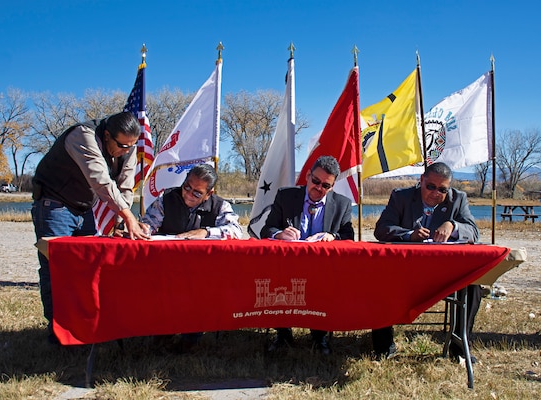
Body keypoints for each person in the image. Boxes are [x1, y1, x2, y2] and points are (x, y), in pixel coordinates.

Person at [32, 111, 150, 344]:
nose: (127, 151)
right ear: (106, 136)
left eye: (131, 146)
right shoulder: (82, 135)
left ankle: (82, 329)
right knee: (56, 268)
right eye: (122, 145)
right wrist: (128, 217)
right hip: (54, 205)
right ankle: (57, 333)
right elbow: (100, 180)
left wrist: (121, 220)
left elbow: (126, 186)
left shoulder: (128, 147)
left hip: (84, 209)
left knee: (86, 269)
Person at [373, 161, 480, 362]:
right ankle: (383, 346)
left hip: (443, 275)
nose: (435, 193)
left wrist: (453, 226)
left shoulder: (458, 200)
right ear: (421, 181)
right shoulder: (401, 197)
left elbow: (474, 232)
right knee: (379, 278)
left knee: (473, 285)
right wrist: (408, 235)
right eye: (430, 186)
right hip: (404, 272)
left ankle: (459, 348)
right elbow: (381, 229)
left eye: (442, 189)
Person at [140, 163, 242, 352]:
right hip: (168, 267)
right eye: (187, 187)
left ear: (208, 194)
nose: (188, 194)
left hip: (202, 271)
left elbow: (236, 230)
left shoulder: (219, 205)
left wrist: (206, 232)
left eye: (197, 193)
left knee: (201, 291)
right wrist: (142, 229)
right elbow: (149, 224)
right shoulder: (167, 198)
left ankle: (191, 337)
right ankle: (163, 333)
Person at [261, 155, 354, 355]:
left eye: (326, 186)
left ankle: (319, 336)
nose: (319, 188)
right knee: (276, 282)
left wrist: (332, 236)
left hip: (323, 268)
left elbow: (348, 237)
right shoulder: (286, 196)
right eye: (316, 181)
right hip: (287, 265)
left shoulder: (343, 204)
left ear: (333, 186)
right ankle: (283, 334)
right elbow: (266, 230)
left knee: (327, 285)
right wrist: (280, 234)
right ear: (308, 176)